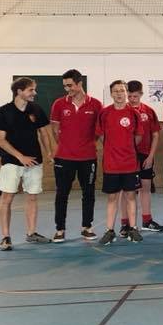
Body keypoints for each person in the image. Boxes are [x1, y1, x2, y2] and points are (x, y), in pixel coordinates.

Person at [0, 77, 54, 250]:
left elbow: (43, 133)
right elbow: (0, 139)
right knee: (7, 198)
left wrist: (49, 152)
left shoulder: (36, 109)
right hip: (11, 162)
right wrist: (20, 157)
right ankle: (5, 237)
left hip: (34, 161)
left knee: (32, 196)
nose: (34, 93)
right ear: (19, 91)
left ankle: (31, 233)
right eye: (31, 90)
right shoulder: (4, 111)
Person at [50, 69, 101, 243]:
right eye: (65, 86)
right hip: (64, 158)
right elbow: (55, 130)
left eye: (70, 85)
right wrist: (67, 145)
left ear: (80, 83)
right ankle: (60, 229)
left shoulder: (96, 105)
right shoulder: (59, 104)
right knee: (61, 194)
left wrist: (86, 144)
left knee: (89, 193)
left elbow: (98, 131)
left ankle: (87, 227)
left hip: (88, 158)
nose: (67, 89)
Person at [96, 80, 143, 246]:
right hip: (111, 164)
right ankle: (110, 231)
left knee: (131, 196)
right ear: (111, 94)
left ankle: (133, 228)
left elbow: (138, 136)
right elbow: (101, 136)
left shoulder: (134, 113)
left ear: (126, 93)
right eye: (115, 91)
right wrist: (113, 148)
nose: (119, 94)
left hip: (130, 163)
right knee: (112, 197)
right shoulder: (104, 113)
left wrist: (126, 148)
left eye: (122, 90)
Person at [126, 80, 163, 233]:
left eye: (135, 96)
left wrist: (151, 156)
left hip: (145, 155)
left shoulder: (149, 111)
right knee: (127, 191)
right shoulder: (123, 110)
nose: (132, 99)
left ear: (141, 94)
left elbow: (155, 135)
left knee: (145, 187)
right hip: (127, 157)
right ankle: (126, 224)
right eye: (129, 96)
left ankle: (147, 220)